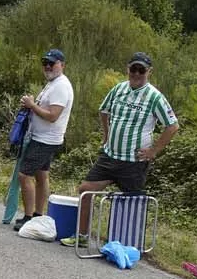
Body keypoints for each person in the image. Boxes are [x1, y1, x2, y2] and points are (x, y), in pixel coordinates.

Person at [60, 52, 180, 247]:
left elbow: (172, 125)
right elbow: (103, 110)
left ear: (149, 72)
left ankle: (128, 243)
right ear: (128, 69)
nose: (137, 73)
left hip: (134, 162)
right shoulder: (119, 89)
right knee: (85, 190)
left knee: (133, 203)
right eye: (134, 69)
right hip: (110, 156)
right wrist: (106, 135)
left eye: (141, 70)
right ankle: (81, 236)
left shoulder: (155, 97)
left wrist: (153, 151)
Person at [13, 49, 74, 233]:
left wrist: (32, 106)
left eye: (52, 63)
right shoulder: (52, 83)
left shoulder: (61, 86)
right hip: (43, 137)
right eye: (45, 62)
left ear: (62, 65)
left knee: (24, 175)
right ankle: (38, 215)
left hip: (46, 139)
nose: (47, 66)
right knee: (41, 175)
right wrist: (31, 105)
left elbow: (53, 115)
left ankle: (29, 216)